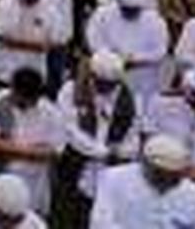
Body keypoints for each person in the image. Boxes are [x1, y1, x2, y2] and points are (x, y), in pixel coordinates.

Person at [53, 50, 139, 229]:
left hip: (110, 171)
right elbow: (69, 130)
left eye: (111, 85)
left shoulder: (129, 98)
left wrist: (122, 151)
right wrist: (102, 151)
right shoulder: (70, 91)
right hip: (75, 166)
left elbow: (134, 137)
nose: (106, 89)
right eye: (102, 84)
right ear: (93, 76)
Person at [0, 67, 65, 217]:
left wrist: (11, 147)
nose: (25, 103)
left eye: (30, 100)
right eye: (21, 98)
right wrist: (35, 150)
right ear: (13, 89)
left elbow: (56, 151)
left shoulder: (51, 112)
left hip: (36, 183)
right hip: (2, 175)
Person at [89, 134, 195, 228]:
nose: (165, 181)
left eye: (173, 177)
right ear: (144, 163)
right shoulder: (114, 178)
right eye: (160, 174)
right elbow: (100, 223)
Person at [85, 0, 170, 105]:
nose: (130, 13)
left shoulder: (155, 21)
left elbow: (160, 51)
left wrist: (135, 59)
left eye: (134, 10)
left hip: (141, 77)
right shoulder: (103, 14)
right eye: (126, 9)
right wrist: (111, 58)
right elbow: (93, 38)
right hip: (107, 73)